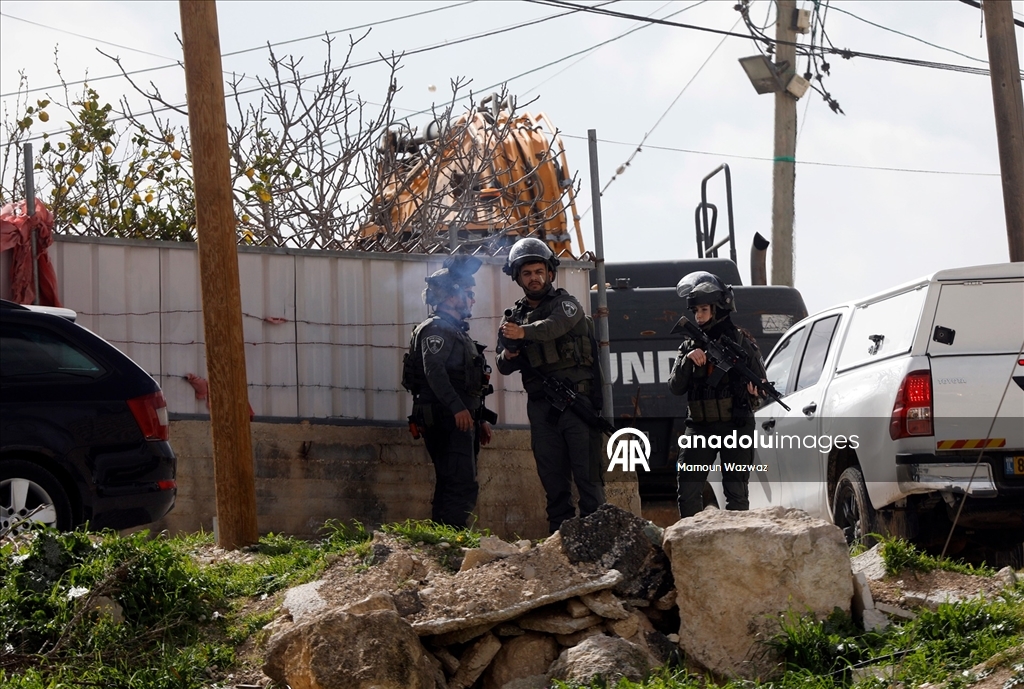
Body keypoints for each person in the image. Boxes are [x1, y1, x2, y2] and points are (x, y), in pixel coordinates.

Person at [495, 237, 605, 533]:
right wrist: (509, 353)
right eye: (527, 273)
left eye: (539, 271)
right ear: (518, 277)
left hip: (577, 405)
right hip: (542, 408)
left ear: (550, 273)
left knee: (588, 478)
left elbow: (552, 327)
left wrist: (522, 334)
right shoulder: (514, 317)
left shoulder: (566, 305)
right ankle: (559, 540)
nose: (534, 278)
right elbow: (502, 364)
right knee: (553, 480)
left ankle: (598, 537)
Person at [403, 255, 494, 527]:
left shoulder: (454, 330)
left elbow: (465, 381)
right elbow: (434, 371)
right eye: (469, 293)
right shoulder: (437, 329)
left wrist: (479, 418)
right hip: (446, 418)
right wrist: (458, 409)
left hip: (459, 417)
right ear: (452, 296)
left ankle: (444, 538)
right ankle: (452, 538)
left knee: (453, 480)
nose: (473, 300)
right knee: (460, 482)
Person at [668, 271, 766, 519]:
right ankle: (691, 539)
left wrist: (755, 393)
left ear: (718, 309)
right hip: (700, 426)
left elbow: (761, 386)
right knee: (688, 490)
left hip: (736, 424)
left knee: (736, 494)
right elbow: (675, 387)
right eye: (695, 311)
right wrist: (688, 361)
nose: (698, 316)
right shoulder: (689, 345)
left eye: (704, 310)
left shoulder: (741, 342)